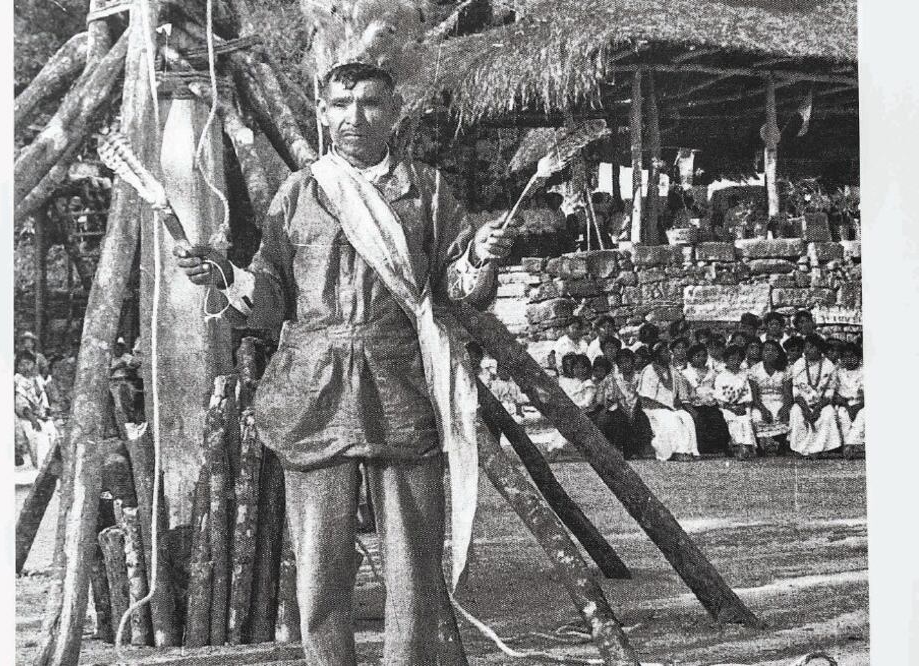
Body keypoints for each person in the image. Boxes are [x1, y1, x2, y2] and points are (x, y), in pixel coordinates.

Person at [174, 61, 521, 664]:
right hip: (313, 392)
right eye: (340, 104)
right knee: (320, 571)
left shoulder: (427, 191)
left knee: (414, 568)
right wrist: (224, 274)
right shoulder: (299, 193)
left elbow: (456, 289)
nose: (354, 117)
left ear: (395, 113)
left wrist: (480, 258)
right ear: (322, 111)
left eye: (370, 104)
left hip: (403, 385)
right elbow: (272, 294)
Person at [638, 342, 700, 461]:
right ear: (657, 355)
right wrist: (665, 406)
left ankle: (691, 451)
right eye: (665, 352)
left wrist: (678, 404)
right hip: (653, 409)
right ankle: (678, 452)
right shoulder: (649, 371)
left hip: (671, 407)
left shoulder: (672, 370)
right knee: (672, 419)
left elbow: (681, 392)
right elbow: (645, 398)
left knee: (686, 417)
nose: (669, 354)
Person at [786, 334, 842, 458]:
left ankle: (817, 449)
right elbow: (796, 391)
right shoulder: (799, 364)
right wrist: (805, 409)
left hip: (822, 404)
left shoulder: (828, 365)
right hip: (803, 403)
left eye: (811, 347)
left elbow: (830, 392)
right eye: (805, 347)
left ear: (819, 349)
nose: (807, 350)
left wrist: (817, 409)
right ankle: (800, 448)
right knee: (796, 412)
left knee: (828, 413)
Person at [595, 348, 654, 458]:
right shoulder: (613, 379)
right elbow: (610, 399)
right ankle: (621, 449)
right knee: (618, 420)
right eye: (621, 363)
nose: (625, 365)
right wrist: (623, 408)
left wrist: (634, 409)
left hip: (638, 407)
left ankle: (641, 449)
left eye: (627, 361)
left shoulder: (640, 377)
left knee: (641, 419)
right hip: (619, 408)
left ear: (633, 362)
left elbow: (644, 396)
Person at [681, 343, 731, 455]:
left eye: (704, 356)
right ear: (691, 358)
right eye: (698, 356)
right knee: (699, 421)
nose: (702, 358)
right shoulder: (685, 374)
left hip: (711, 404)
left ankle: (718, 447)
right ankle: (702, 448)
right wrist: (691, 410)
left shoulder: (713, 373)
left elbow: (717, 390)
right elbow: (684, 395)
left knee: (717, 419)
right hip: (694, 405)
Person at [15, 350, 60, 468]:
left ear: (34, 365)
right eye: (22, 365)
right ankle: (40, 467)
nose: (26, 367)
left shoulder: (37, 378)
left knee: (53, 436)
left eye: (28, 363)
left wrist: (48, 410)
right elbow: (21, 403)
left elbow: (44, 396)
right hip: (28, 418)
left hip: (42, 415)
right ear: (18, 367)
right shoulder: (18, 381)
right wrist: (33, 420)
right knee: (38, 441)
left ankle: (51, 466)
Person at [748, 339, 791, 455]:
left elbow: (788, 394)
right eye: (766, 350)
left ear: (778, 353)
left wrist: (784, 408)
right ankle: (759, 447)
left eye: (773, 350)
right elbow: (754, 396)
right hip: (761, 402)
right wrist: (763, 409)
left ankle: (782, 445)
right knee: (756, 415)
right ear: (761, 353)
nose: (770, 353)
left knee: (784, 415)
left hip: (780, 401)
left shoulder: (785, 369)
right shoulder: (754, 370)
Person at [714, 345, 757, 459]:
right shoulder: (720, 377)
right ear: (726, 360)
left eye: (738, 359)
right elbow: (719, 399)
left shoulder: (744, 375)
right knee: (732, 419)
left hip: (742, 406)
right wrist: (731, 407)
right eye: (732, 359)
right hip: (726, 407)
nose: (736, 362)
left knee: (745, 419)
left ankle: (747, 446)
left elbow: (747, 395)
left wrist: (744, 407)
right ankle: (738, 446)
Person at [833, 342, 865, 459]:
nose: (849, 360)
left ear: (858, 357)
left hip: (862, 404)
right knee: (842, 415)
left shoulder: (864, 371)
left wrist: (859, 406)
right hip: (844, 404)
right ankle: (846, 446)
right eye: (845, 357)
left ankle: (851, 445)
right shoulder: (838, 372)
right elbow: (835, 393)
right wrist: (847, 406)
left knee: (862, 415)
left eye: (852, 356)